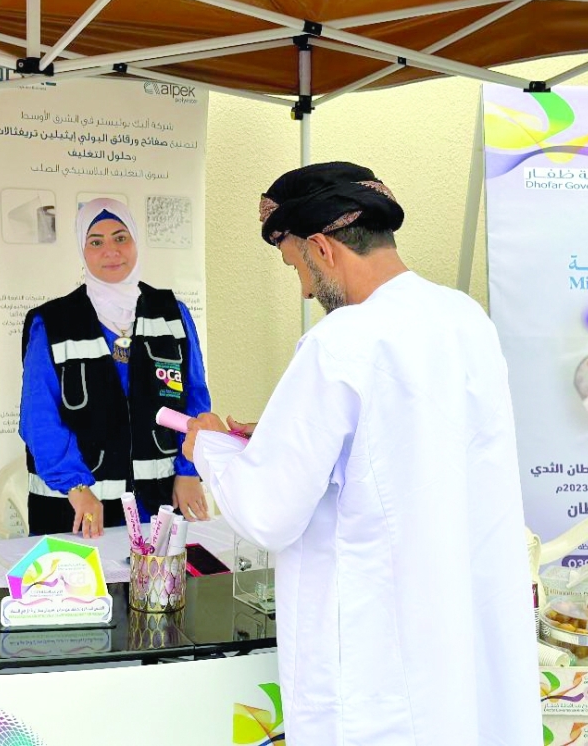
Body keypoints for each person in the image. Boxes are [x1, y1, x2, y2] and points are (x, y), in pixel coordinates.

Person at [182, 163, 540, 745]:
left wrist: (211, 450)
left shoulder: (343, 340)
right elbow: (404, 446)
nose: (301, 288)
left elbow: (272, 512)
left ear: (321, 248)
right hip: (459, 626)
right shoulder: (463, 318)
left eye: (296, 266)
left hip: (379, 652)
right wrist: (274, 440)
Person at [20, 197, 211, 538]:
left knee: (158, 591)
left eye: (121, 237)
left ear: (136, 242)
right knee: (81, 591)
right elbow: (39, 417)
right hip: (77, 510)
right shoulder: (52, 322)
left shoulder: (172, 314)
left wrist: (189, 470)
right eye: (96, 242)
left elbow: (194, 400)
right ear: (82, 249)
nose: (111, 250)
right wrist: (77, 488)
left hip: (160, 501)